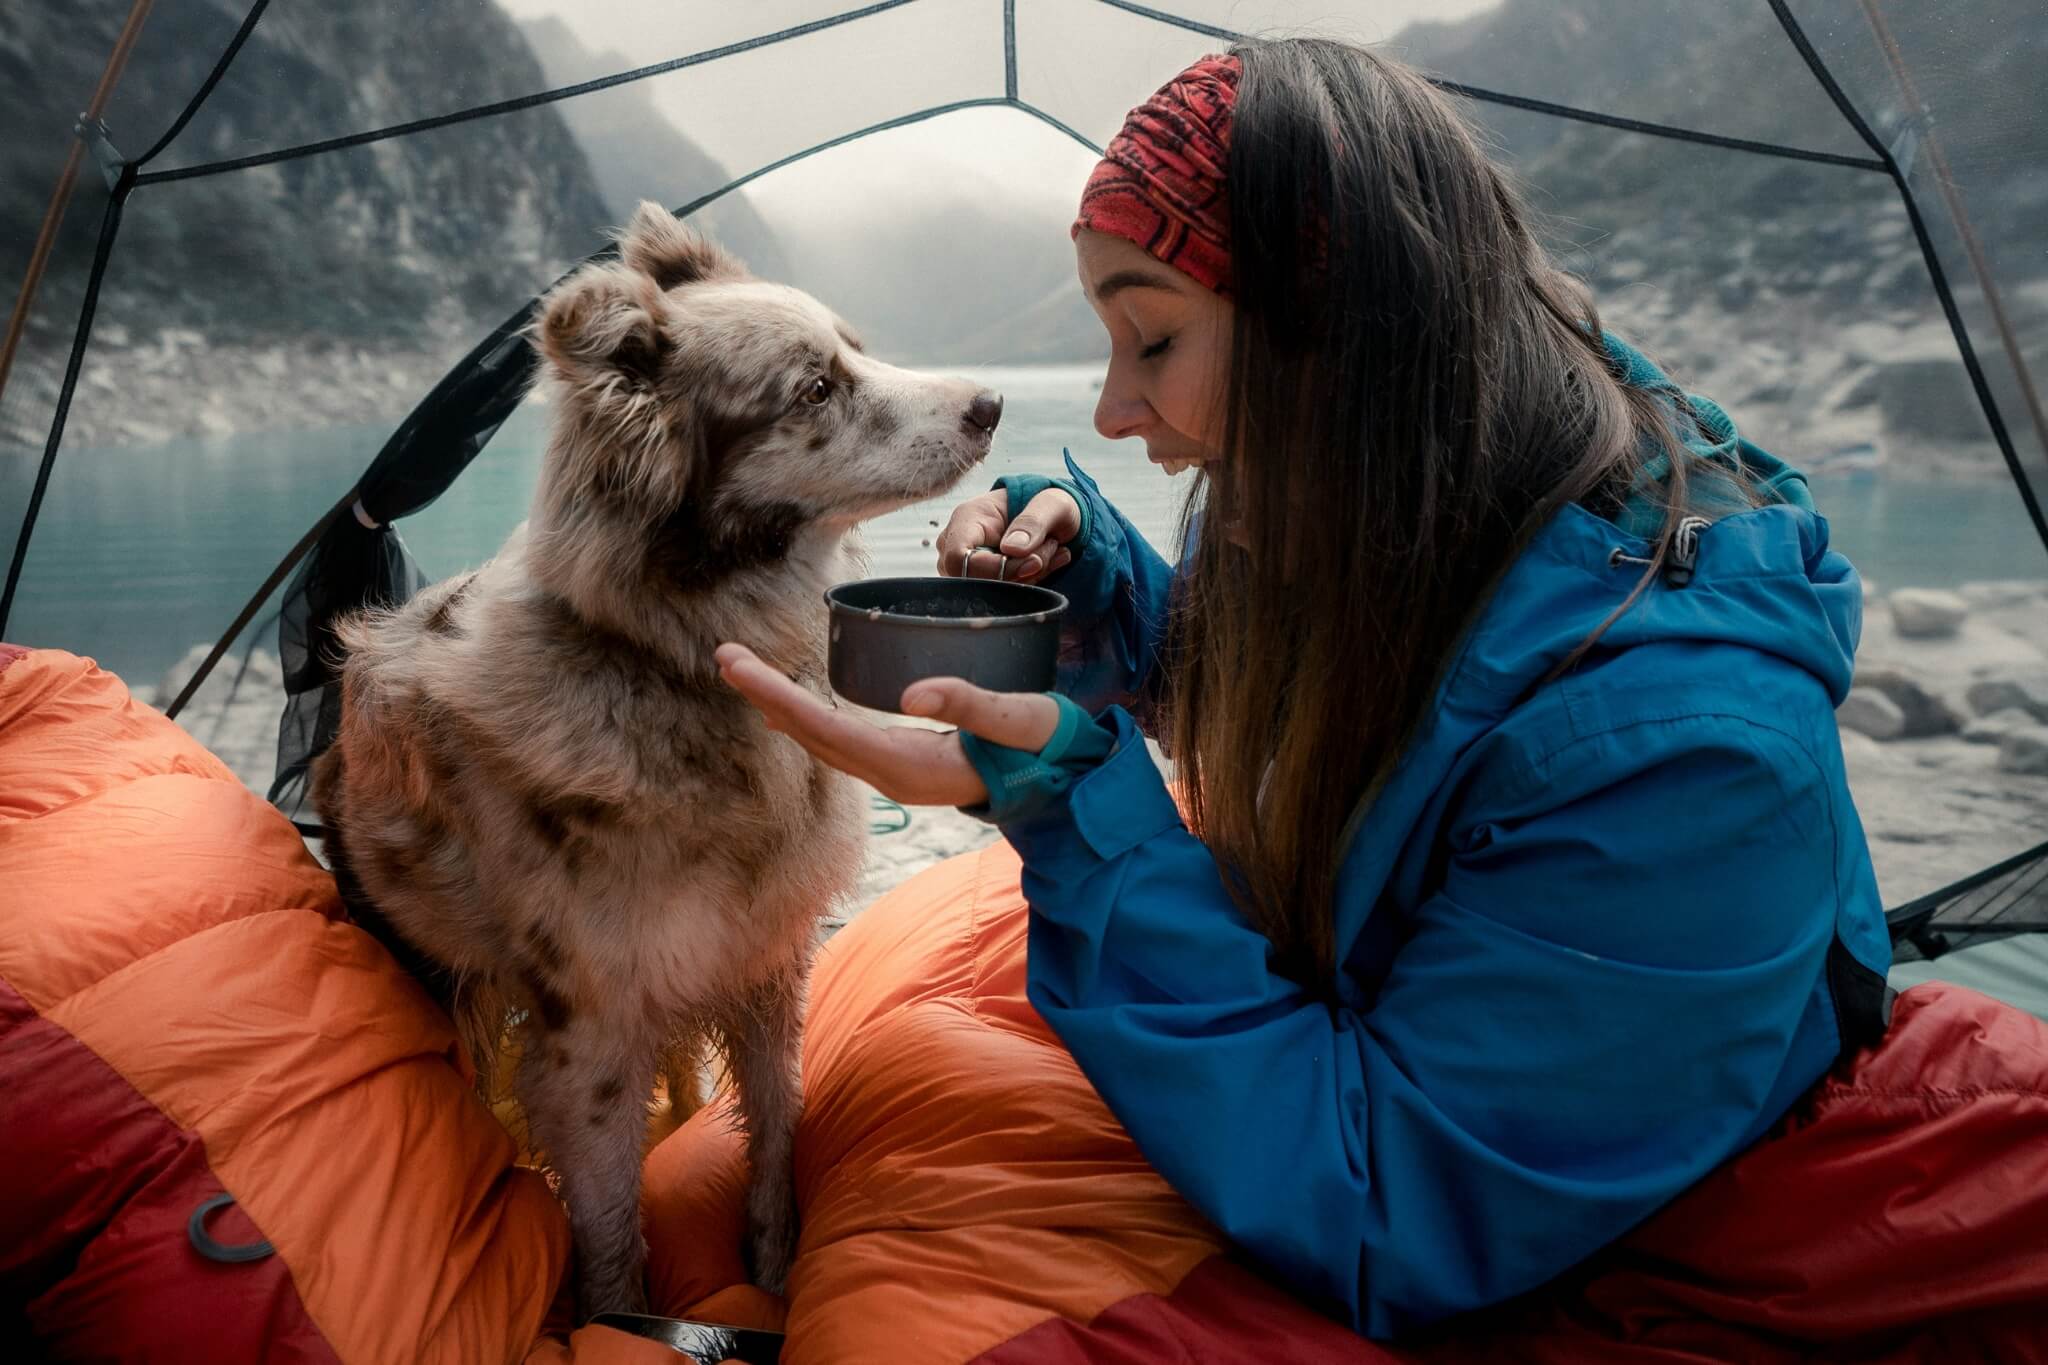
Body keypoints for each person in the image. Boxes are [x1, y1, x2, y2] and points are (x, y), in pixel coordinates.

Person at [714, 36, 1891, 1339]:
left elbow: (1393, 1204)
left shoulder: (1679, 759)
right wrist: (1096, 584)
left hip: (1515, 1208)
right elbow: (1304, 712)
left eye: (1151, 337)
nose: (1110, 410)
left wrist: (1064, 804)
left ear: (1335, 333)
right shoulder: (1374, 487)